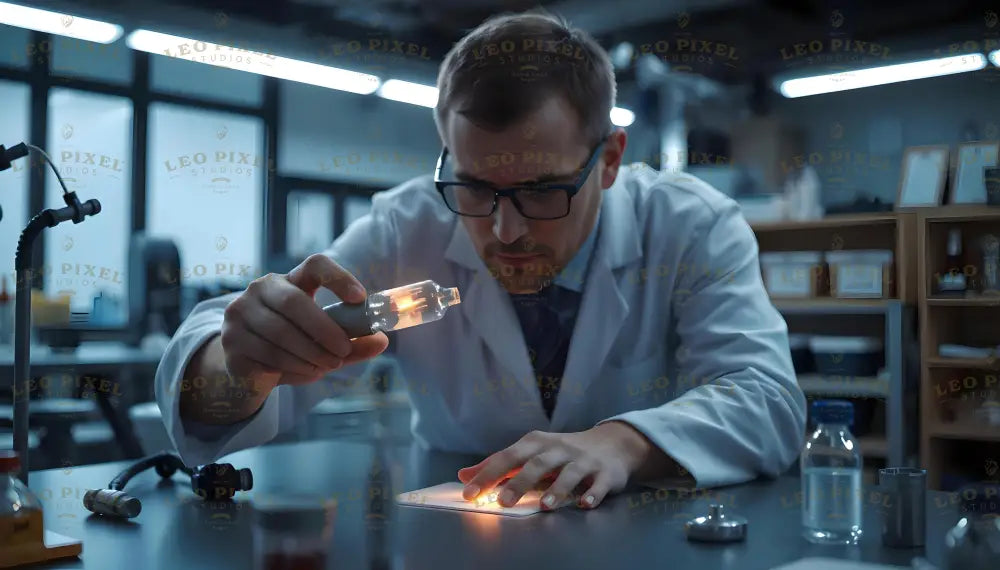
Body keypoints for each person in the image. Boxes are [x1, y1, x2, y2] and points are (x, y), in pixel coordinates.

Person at [154, 8, 806, 511]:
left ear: (608, 160)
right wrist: (237, 363)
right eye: (473, 189)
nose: (503, 230)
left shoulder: (689, 225)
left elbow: (768, 401)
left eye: (543, 191)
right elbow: (219, 404)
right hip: (457, 536)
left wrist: (623, 442)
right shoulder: (405, 229)